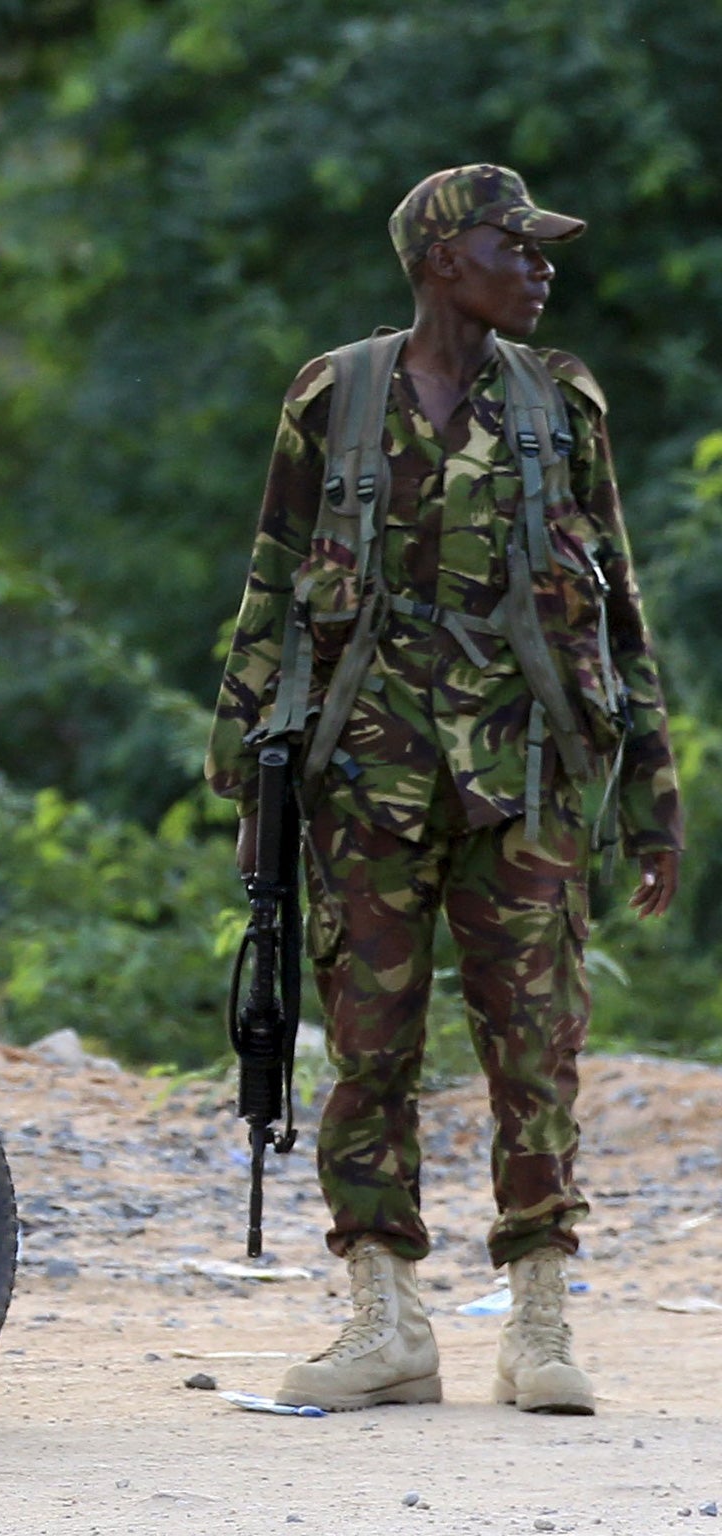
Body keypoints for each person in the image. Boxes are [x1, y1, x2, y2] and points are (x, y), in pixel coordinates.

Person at [206, 166, 681, 1415]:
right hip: (363, 783)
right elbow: (268, 586)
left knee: (537, 1050)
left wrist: (651, 800)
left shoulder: (557, 397)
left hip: (529, 777)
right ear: (436, 259)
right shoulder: (334, 395)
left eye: (539, 250)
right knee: (368, 1055)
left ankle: (536, 1323)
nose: (539, 267)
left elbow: (617, 603)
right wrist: (243, 774)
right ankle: (385, 1320)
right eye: (511, 247)